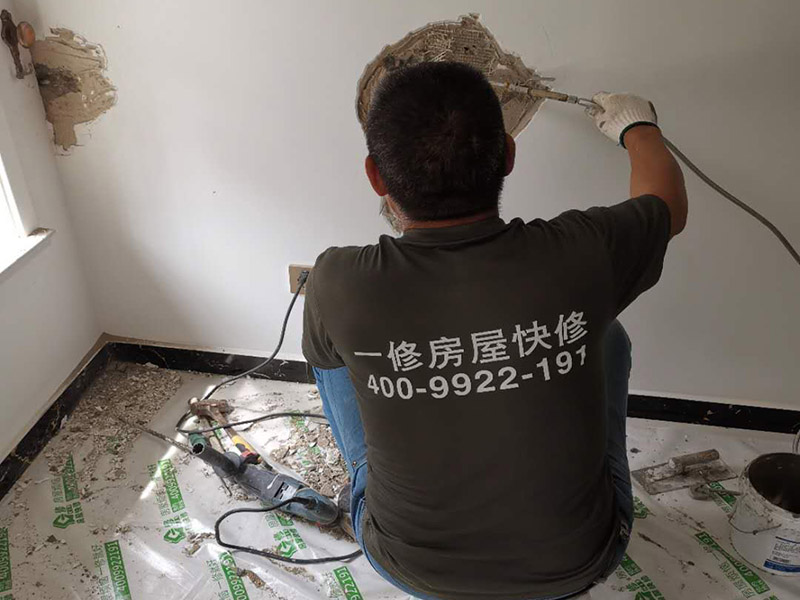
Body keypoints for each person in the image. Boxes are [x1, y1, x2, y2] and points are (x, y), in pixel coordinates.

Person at [302, 62, 687, 600]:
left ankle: (365, 469)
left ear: (376, 177)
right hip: (579, 562)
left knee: (335, 355)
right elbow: (668, 206)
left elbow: (333, 365)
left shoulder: (337, 280)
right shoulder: (583, 253)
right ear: (507, 155)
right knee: (605, 334)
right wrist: (637, 126)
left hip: (409, 567)